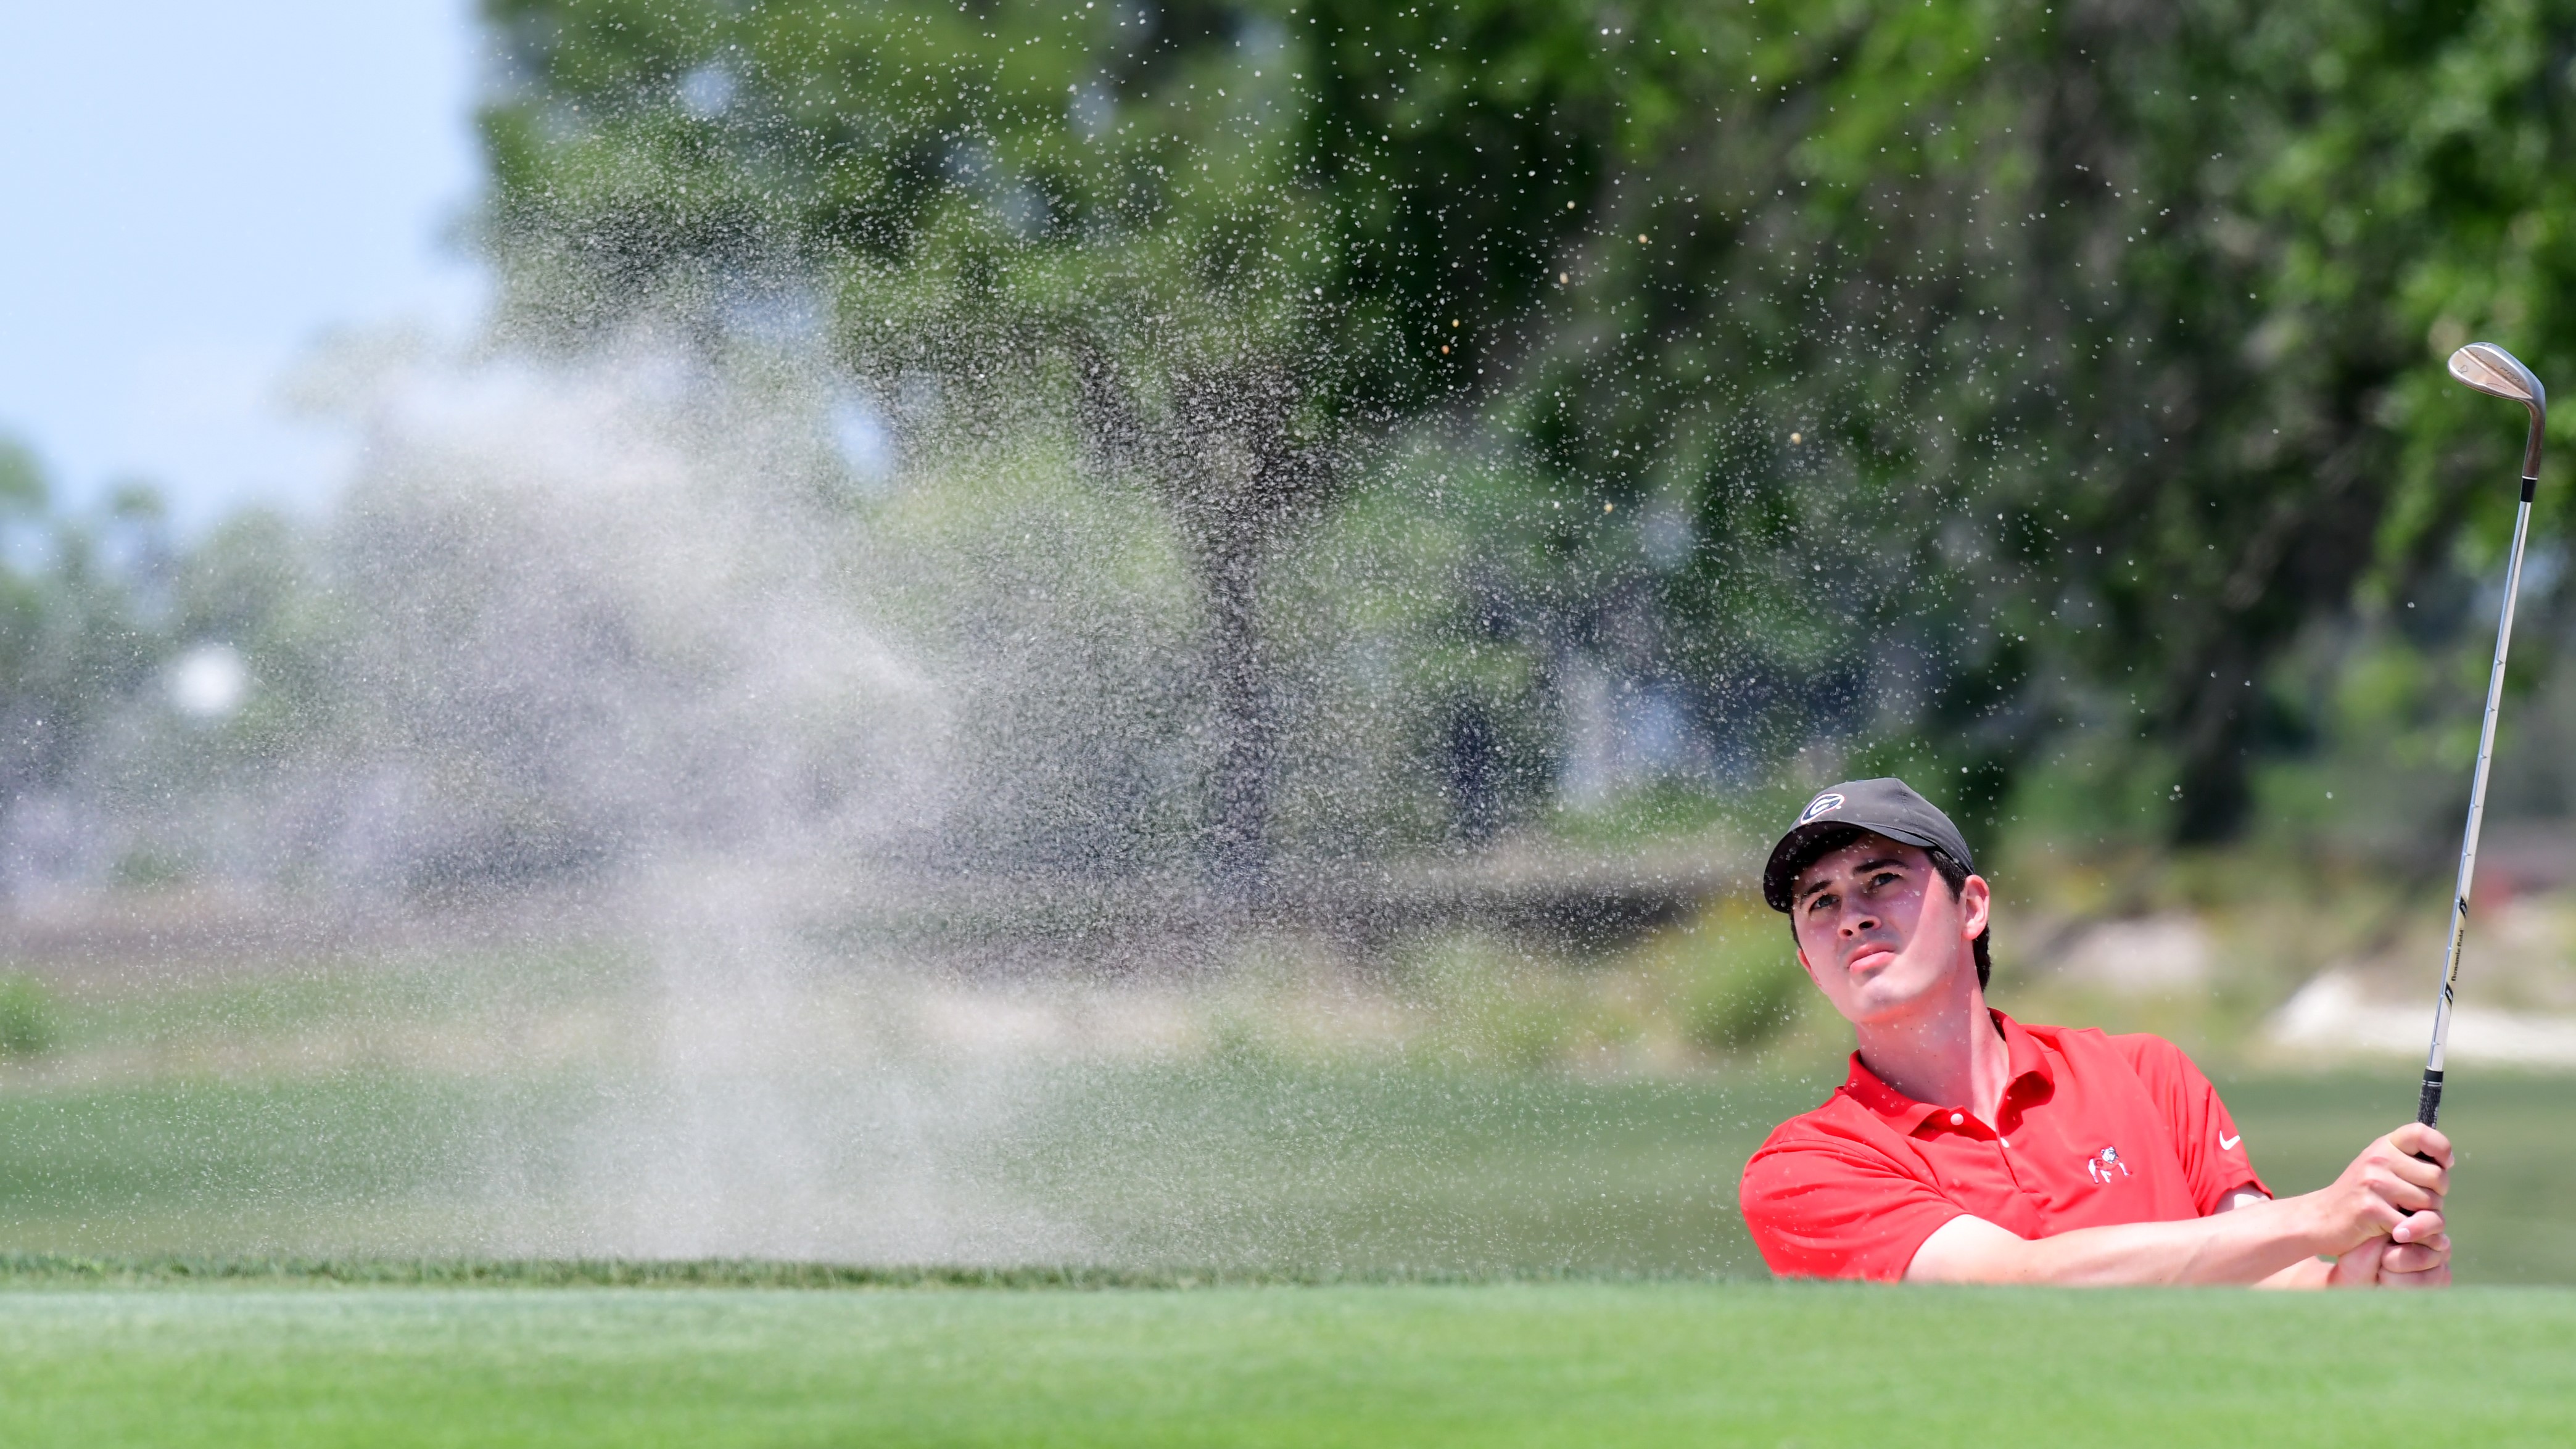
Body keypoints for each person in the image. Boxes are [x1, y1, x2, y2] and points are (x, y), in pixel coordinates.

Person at [1737, 778, 2451, 1287]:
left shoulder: (2148, 1074)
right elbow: (2016, 1284)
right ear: (1808, 960)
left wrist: (2360, 1288)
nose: (1852, 916)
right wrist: (2325, 1215)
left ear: (1972, 906)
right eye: (1821, 902)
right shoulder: (1804, 1168)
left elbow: (2267, 1279)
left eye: (1883, 878)